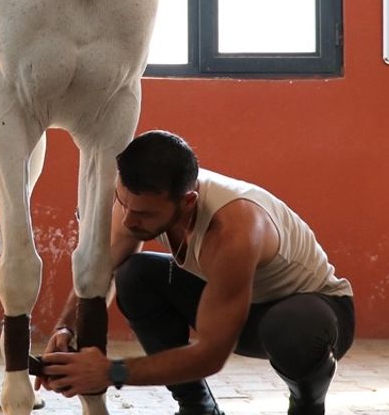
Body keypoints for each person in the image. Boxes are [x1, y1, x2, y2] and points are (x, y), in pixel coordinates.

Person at [39, 130, 354, 415]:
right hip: (236, 303)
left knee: (290, 329)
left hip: (314, 313)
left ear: (188, 202)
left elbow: (211, 356)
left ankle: (307, 403)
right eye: (125, 204)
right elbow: (101, 270)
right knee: (134, 275)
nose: (128, 222)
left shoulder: (235, 229)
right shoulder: (138, 200)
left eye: (144, 214)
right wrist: (65, 330)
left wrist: (111, 371)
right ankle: (198, 410)